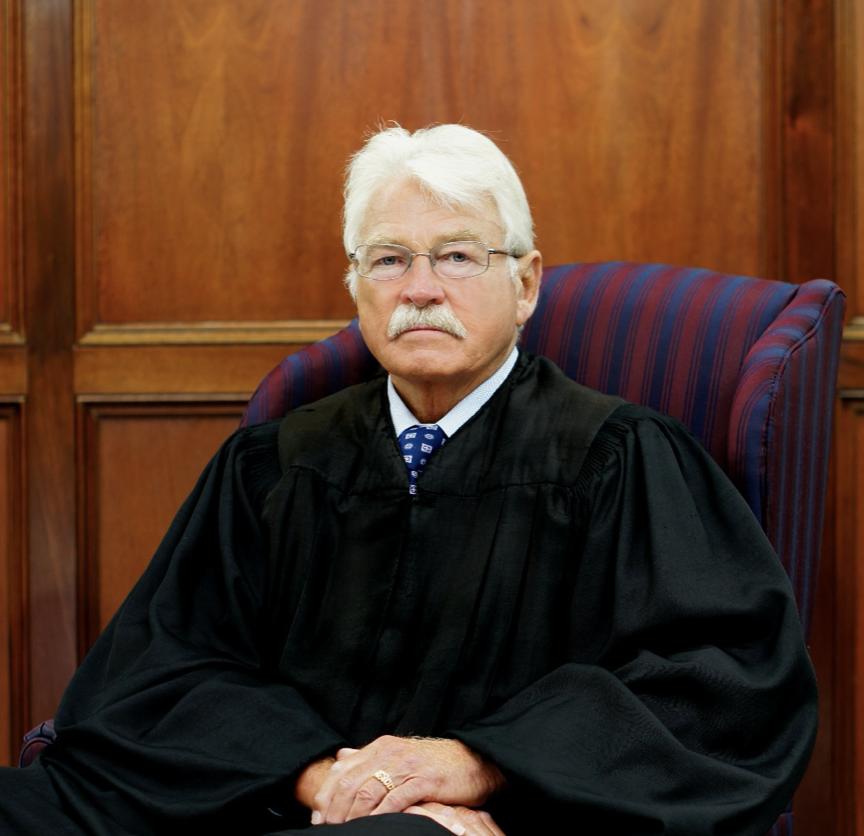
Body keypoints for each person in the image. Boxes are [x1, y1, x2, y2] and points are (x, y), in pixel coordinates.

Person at [0, 124, 816, 836]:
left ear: (526, 283)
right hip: (266, 801)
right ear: (355, 285)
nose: (420, 289)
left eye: (458, 256)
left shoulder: (620, 460)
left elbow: (721, 687)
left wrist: (479, 763)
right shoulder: (278, 463)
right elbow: (160, 669)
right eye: (389, 259)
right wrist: (322, 776)